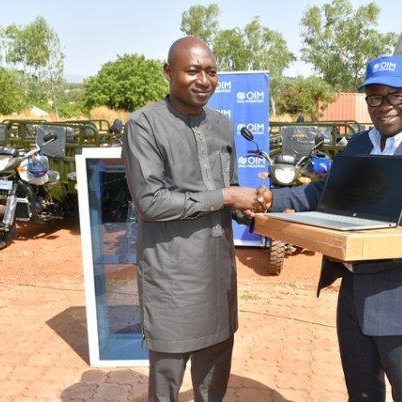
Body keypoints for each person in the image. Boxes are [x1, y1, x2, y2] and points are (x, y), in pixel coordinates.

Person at [258, 56, 402, 401]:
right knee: (362, 393)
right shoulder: (359, 145)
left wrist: (349, 247)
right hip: (354, 295)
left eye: (395, 96)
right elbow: (322, 194)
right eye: (375, 97)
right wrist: (265, 199)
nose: (384, 106)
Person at [122, 36, 265, 402]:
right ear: (168, 72)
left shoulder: (221, 124)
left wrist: (248, 205)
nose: (204, 81)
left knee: (213, 383)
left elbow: (228, 187)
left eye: (211, 72)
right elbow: (151, 202)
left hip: (218, 274)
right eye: (193, 71)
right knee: (167, 382)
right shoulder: (144, 125)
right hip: (171, 276)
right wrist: (226, 196)